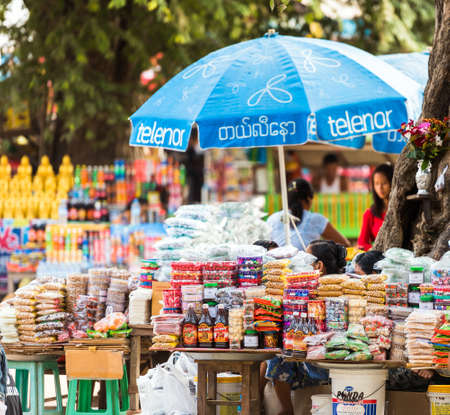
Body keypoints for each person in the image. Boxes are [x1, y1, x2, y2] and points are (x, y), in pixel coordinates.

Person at [265, 240, 347, 415]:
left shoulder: (314, 290)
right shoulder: (346, 283)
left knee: (280, 355)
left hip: (329, 358)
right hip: (331, 356)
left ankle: (285, 409)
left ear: (319, 266)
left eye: (306, 259)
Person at [267, 178, 350, 250]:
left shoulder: (272, 219)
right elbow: (345, 244)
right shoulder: (316, 219)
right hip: (307, 267)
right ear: (308, 199)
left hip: (276, 267)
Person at [357, 163, 394, 251]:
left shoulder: (402, 210)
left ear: (392, 182)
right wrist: (375, 249)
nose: (380, 188)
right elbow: (362, 243)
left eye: (384, 183)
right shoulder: (370, 213)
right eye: (376, 184)